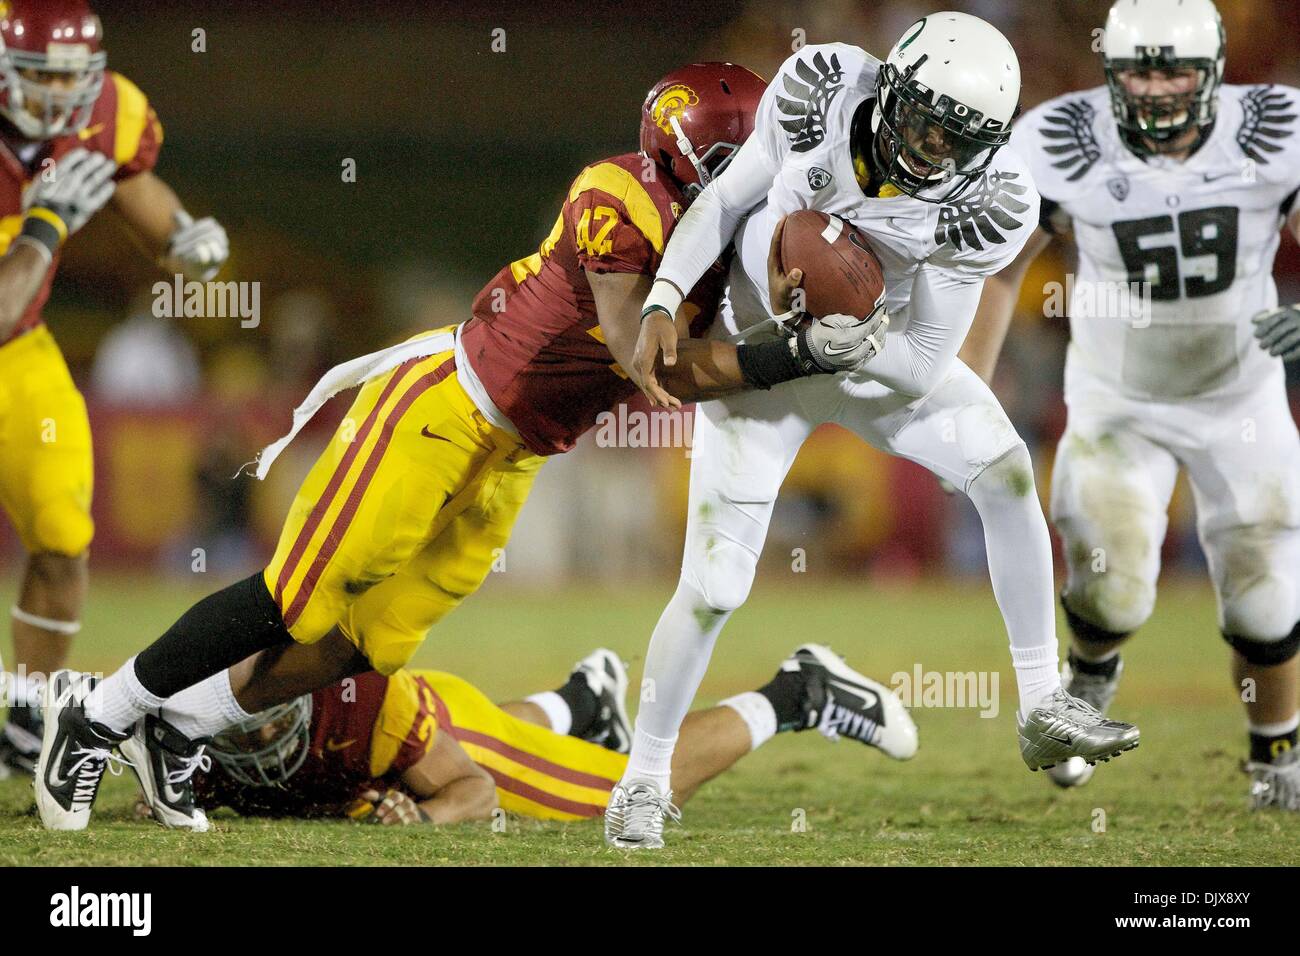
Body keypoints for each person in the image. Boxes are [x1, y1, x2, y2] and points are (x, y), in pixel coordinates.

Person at [35, 62, 889, 832]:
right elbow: (649, 358)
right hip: (443, 410)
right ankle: (100, 714)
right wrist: (792, 353)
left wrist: (808, 330)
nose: (760, 175)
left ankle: (180, 728)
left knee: (367, 645)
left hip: (516, 456)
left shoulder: (723, 235)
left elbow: (722, 342)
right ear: (688, 159)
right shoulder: (618, 196)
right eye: (740, 159)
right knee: (298, 597)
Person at [609, 11, 1142, 849]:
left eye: (957, 138)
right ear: (890, 85)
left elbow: (928, 359)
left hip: (876, 358)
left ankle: (1043, 701)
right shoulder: (818, 90)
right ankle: (641, 782)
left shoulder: (993, 200)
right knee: (713, 588)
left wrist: (844, 344)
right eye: (925, 121)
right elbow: (726, 200)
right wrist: (664, 298)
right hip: (762, 362)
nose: (933, 150)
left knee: (1005, 473)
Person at [960, 0, 1300, 809]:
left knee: (1266, 595)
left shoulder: (1277, 127)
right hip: (1118, 399)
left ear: (1214, 71)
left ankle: (1276, 759)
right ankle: (1091, 676)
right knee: (1111, 581)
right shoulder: (1058, 139)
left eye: (1174, 68)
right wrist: (968, 386)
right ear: (1108, 73)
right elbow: (1001, 268)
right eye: (1138, 69)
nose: (1155, 88)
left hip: (1240, 392)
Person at [0, 0, 228, 777]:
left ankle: (26, 719)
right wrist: (46, 225)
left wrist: (180, 237)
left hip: (18, 351)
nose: (55, 97)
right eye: (36, 78)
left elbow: (129, 175)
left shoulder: (105, 109)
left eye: (70, 80)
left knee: (64, 531)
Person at [164, 645, 914, 830]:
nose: (260, 736)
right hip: (445, 723)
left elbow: (474, 788)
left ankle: (797, 692)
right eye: (242, 725)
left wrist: (425, 818)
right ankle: (578, 701)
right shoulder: (188, 730)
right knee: (490, 738)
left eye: (268, 716)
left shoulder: (364, 710)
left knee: (623, 795)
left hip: (439, 734)